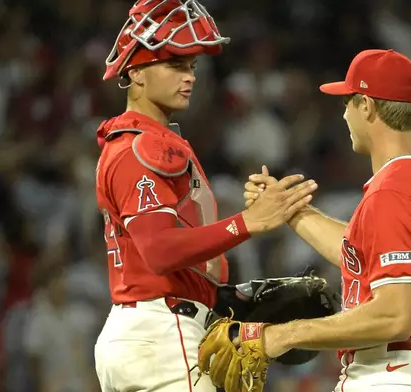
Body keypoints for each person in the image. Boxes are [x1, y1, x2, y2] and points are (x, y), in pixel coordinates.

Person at [92, 1, 317, 391]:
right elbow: (160, 251)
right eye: (176, 64)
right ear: (136, 72)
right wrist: (248, 222)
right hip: (163, 334)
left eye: (192, 66)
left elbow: (185, 256)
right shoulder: (142, 149)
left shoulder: (148, 141)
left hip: (145, 332)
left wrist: (230, 298)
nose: (189, 77)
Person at [244, 49, 411, 391]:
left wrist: (286, 334)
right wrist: (292, 210)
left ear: (367, 107)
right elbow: (366, 252)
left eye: (348, 102)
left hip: (396, 375)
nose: (344, 115)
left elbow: (393, 316)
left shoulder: (392, 192)